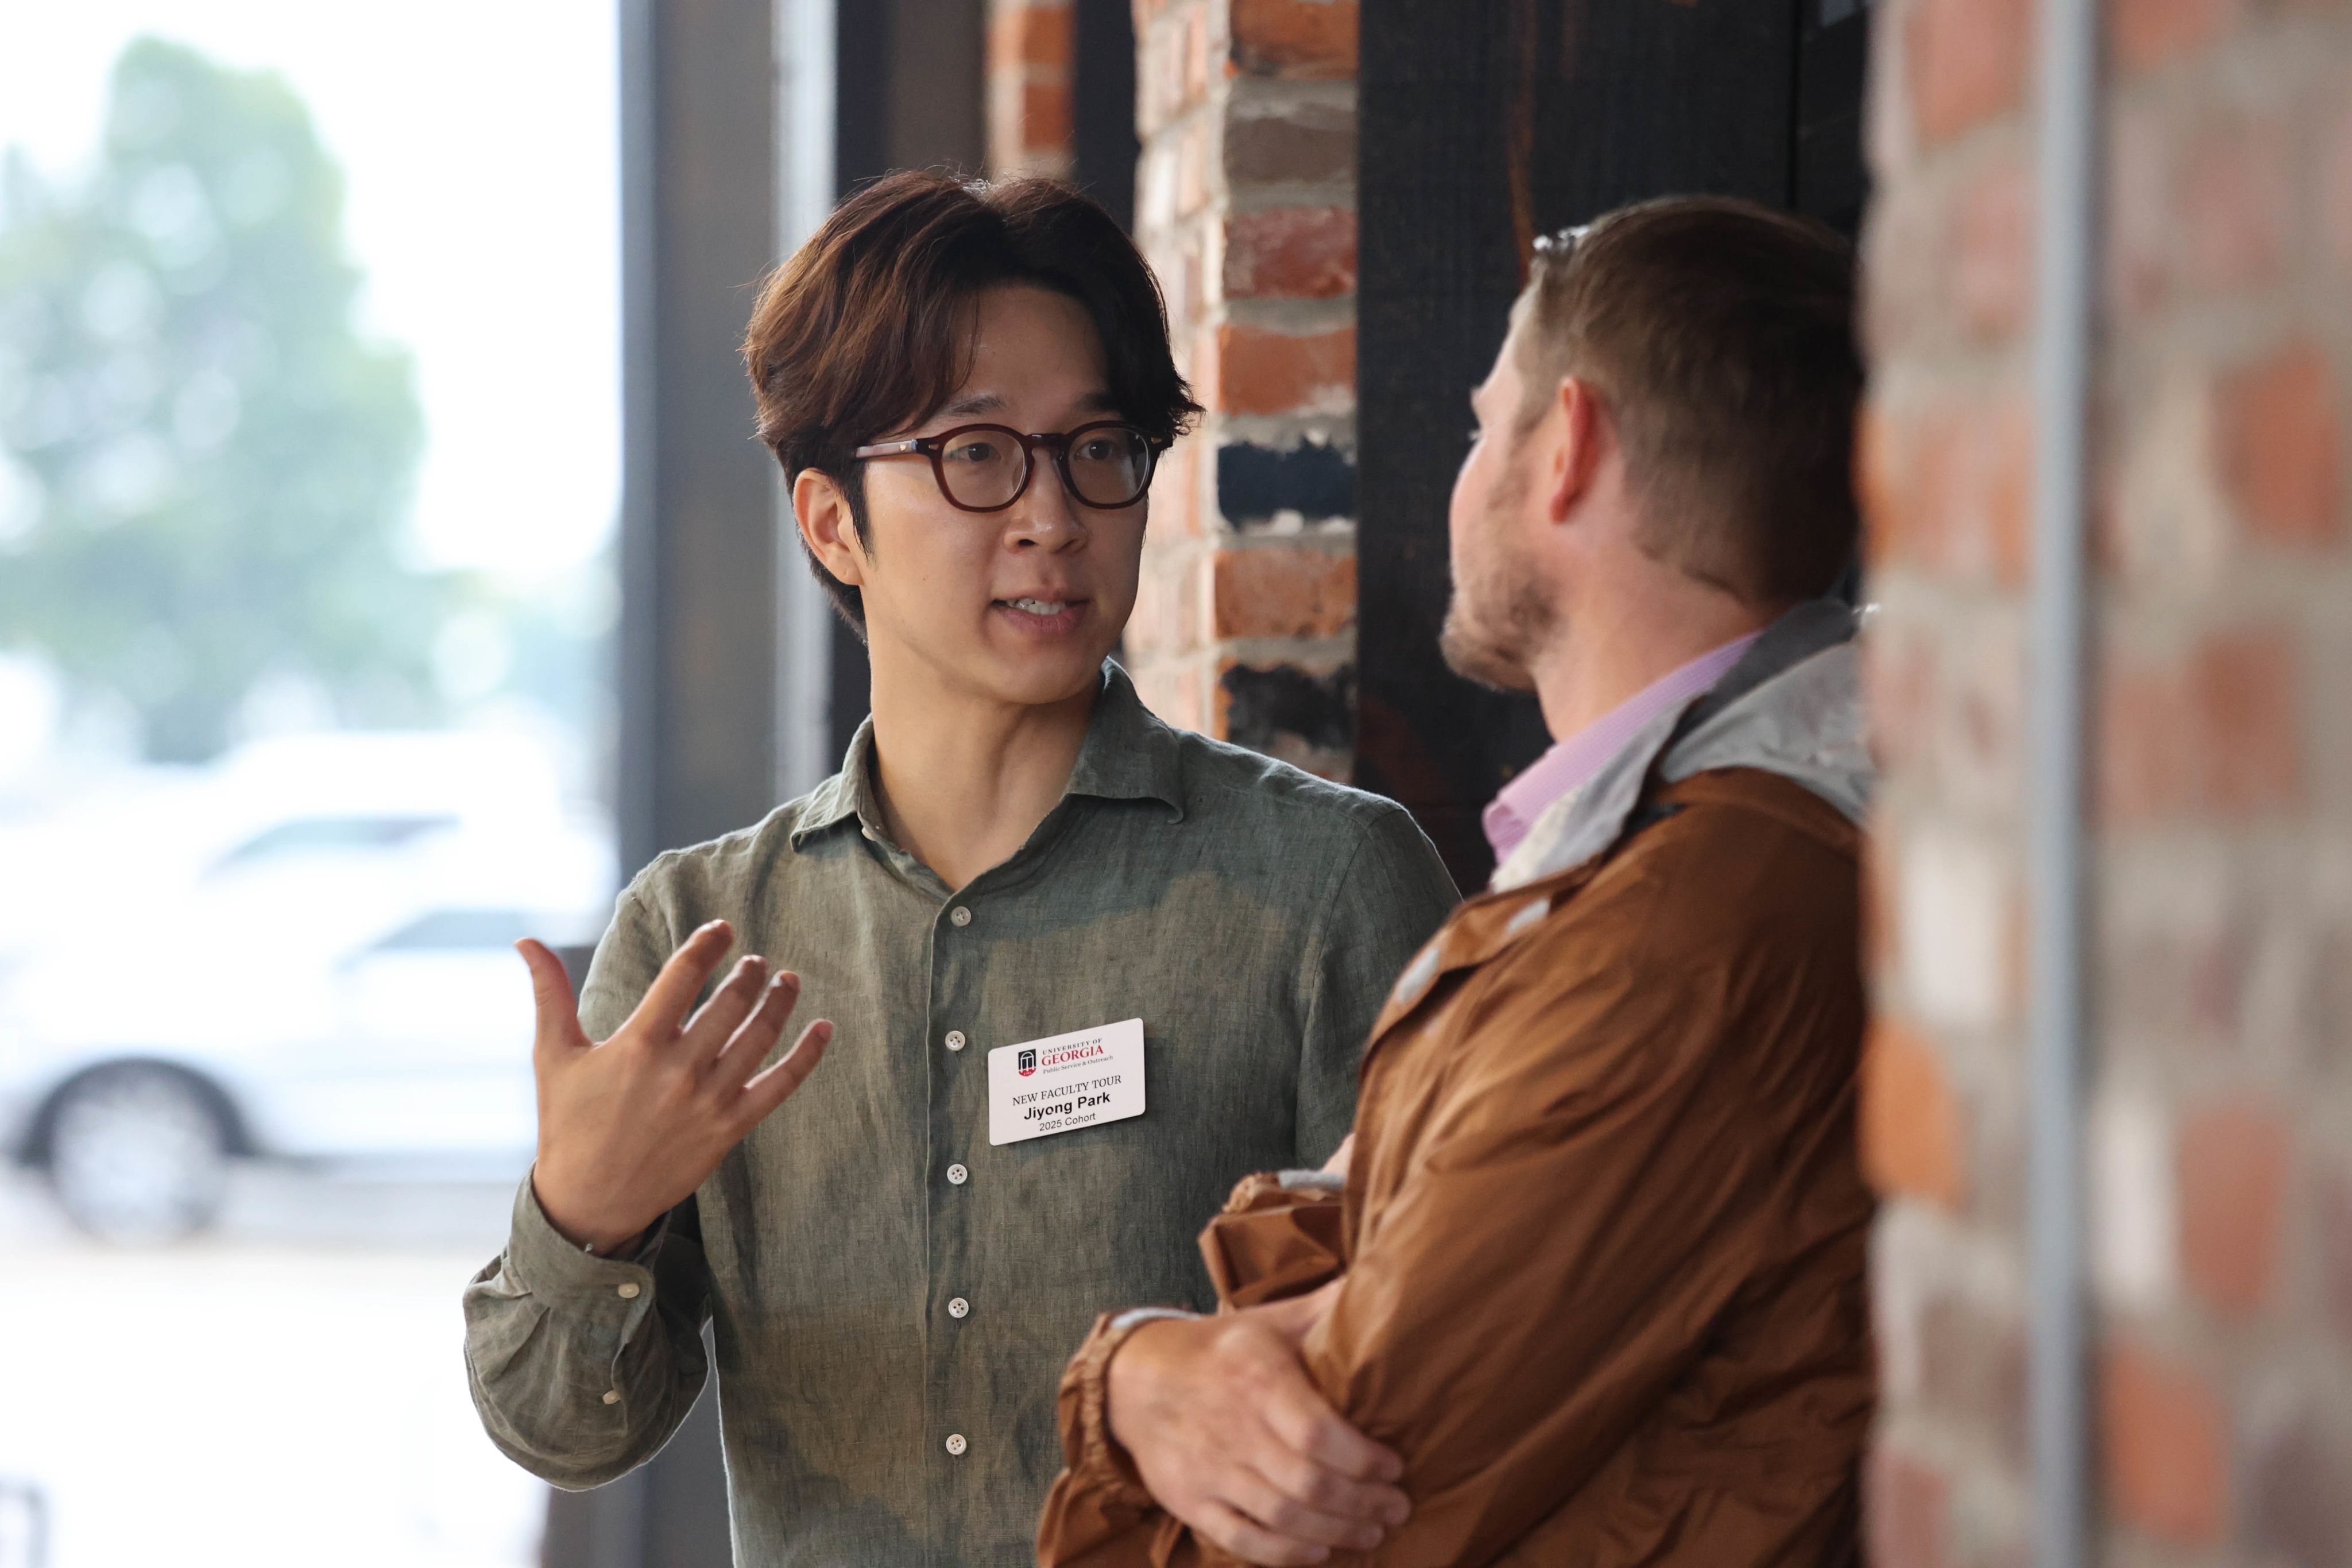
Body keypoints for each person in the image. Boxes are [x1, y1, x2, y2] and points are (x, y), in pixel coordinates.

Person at [461, 171, 1460, 1565]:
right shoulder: (705, 934)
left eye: (1095, 449)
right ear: (829, 520)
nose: (1051, 516)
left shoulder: (1327, 885)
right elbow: (560, 1429)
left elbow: (1469, 1370)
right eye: (975, 454)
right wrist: (587, 1214)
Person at [1036, 195, 1877, 1567]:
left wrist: (1119, 1401)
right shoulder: (1633, 878)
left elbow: (1320, 1501)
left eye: (1486, 424)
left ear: (1570, 452)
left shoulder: (1673, 936)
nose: (1465, 469)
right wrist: (1148, 1370)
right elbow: (1346, 1265)